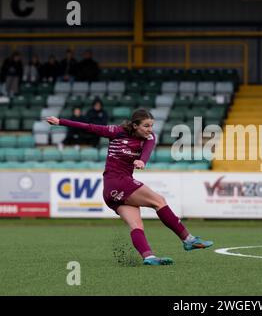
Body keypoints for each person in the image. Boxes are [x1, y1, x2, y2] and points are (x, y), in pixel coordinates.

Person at [46, 109, 213, 266]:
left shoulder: (149, 137)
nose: (150, 129)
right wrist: (60, 121)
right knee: (159, 201)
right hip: (117, 182)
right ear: (135, 125)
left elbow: (147, 151)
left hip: (113, 190)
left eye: (152, 126)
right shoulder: (116, 132)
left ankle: (149, 257)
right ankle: (188, 239)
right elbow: (88, 127)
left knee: (136, 224)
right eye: (146, 126)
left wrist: (142, 161)